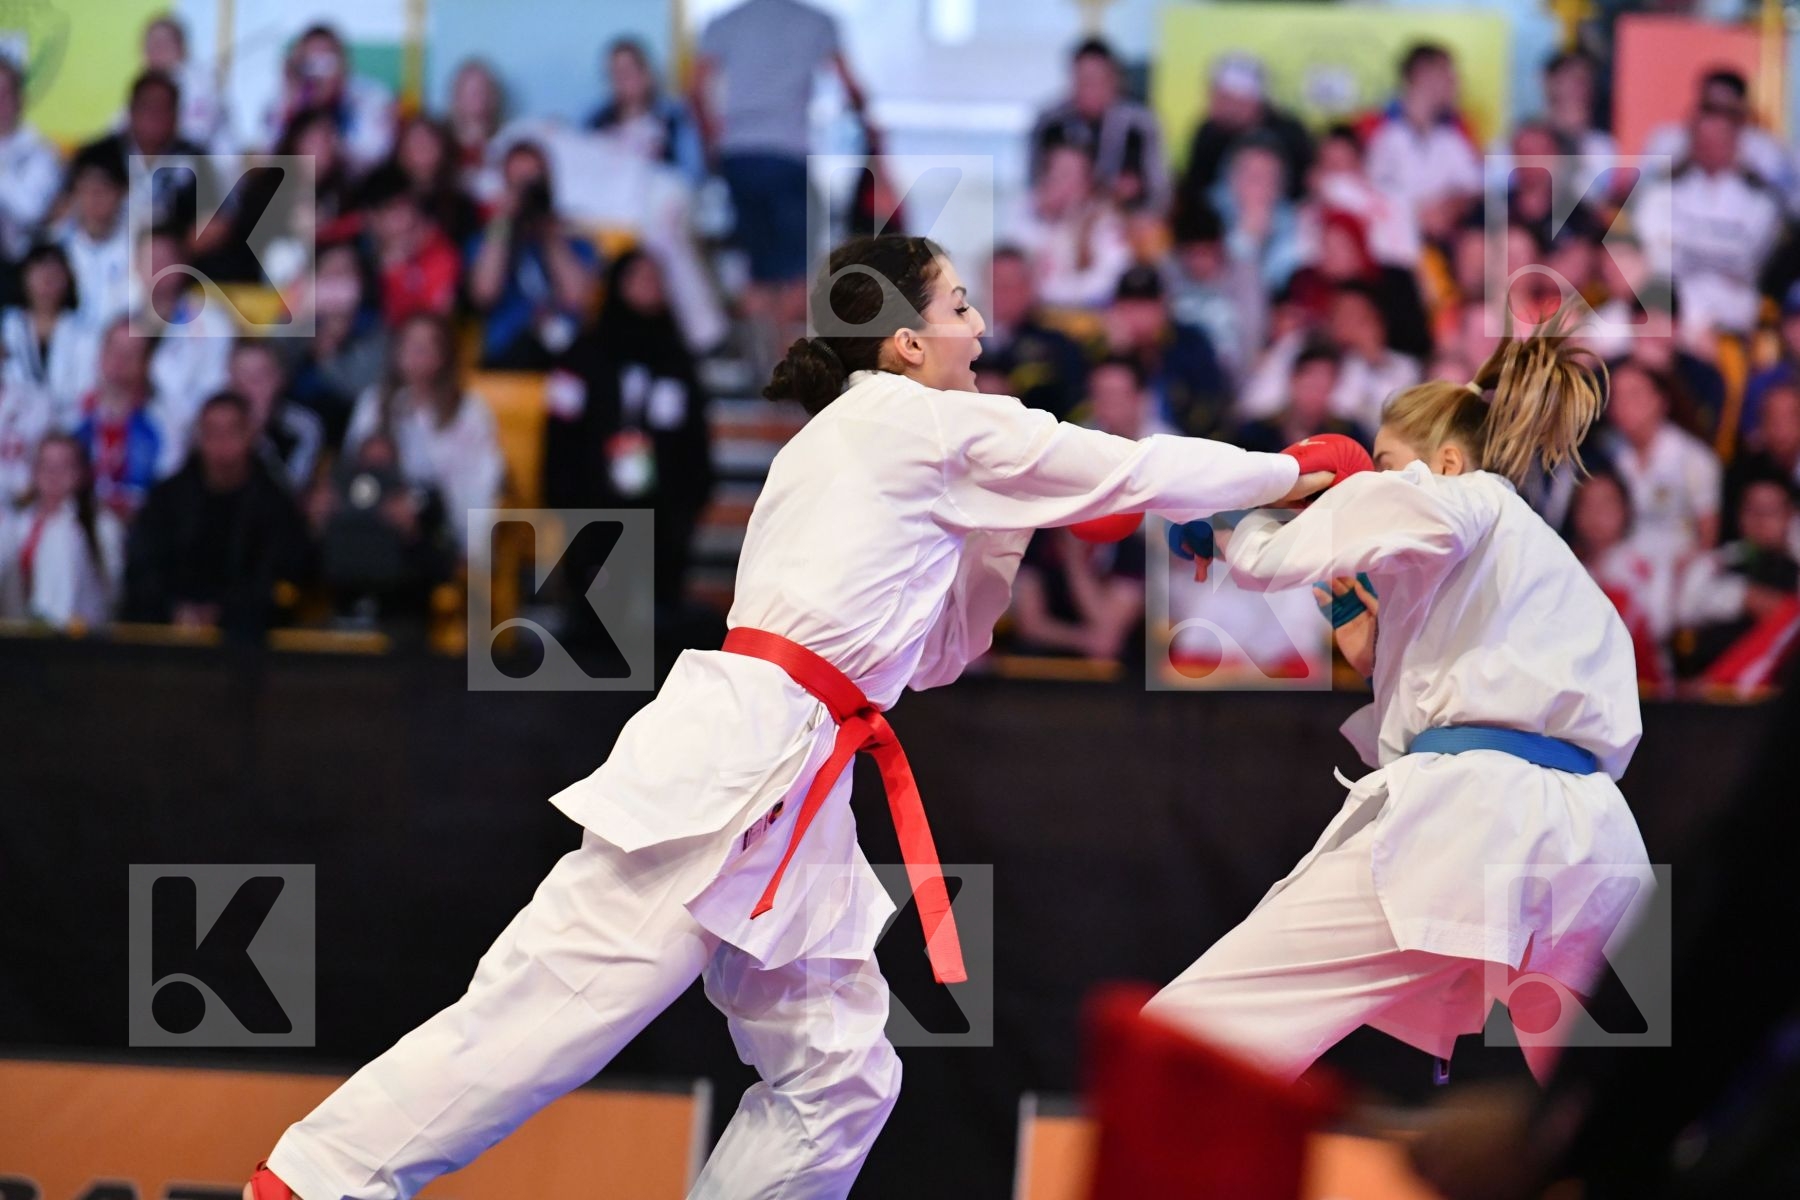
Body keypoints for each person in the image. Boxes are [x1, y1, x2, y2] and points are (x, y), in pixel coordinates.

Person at [243, 233, 1332, 1200]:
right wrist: (1287, 469)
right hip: (743, 759)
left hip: (803, 772)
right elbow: (1130, 464)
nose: (981, 328)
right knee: (550, 1006)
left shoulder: (860, 447)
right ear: (905, 342)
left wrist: (1013, 528)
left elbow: (943, 655)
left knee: (839, 1076)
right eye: (959, 306)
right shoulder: (915, 420)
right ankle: (314, 1181)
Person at [1148, 324, 1650, 1089]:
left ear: (1443, 462)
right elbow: (1460, 686)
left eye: (1384, 464)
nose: (1373, 484)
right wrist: (1377, 650)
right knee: (1626, 1107)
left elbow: (1352, 527)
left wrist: (1242, 516)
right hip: (1599, 846)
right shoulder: (1544, 563)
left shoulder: (1464, 494)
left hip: (1475, 823)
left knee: (1191, 1039)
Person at [692, 0, 868, 357]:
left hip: (738, 157)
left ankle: (761, 368)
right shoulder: (817, 22)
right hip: (788, 156)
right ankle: (789, 372)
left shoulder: (726, 22)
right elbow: (852, 88)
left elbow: (695, 89)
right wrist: (864, 124)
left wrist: (711, 141)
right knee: (796, 275)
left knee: (757, 271)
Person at [545, 249, 713, 616]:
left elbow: (695, 442)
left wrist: (689, 502)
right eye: (639, 278)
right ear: (617, 286)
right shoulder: (581, 354)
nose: (650, 287)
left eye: (656, 279)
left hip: (660, 513)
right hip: (593, 505)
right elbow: (560, 435)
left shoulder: (677, 360)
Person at [124, 391, 312, 635]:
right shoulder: (166, 499)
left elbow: (282, 580)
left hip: (247, 640)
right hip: (168, 631)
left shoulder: (276, 505)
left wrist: (224, 614)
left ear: (250, 434)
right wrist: (175, 609)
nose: (221, 444)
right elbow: (143, 568)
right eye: (212, 432)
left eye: (231, 432)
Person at [342, 312, 502, 546]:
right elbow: (354, 465)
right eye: (408, 343)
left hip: (441, 519)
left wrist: (416, 503)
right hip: (378, 511)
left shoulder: (469, 410)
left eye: (425, 346)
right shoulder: (373, 402)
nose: (415, 353)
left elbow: (477, 479)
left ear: (444, 355)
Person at [465, 141, 600, 369]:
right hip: (509, 351)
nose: (527, 191)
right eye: (518, 182)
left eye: (534, 181)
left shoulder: (574, 239)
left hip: (567, 354)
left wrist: (550, 235)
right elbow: (484, 294)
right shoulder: (487, 239)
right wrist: (503, 221)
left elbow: (579, 299)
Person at [1600, 360, 1721, 566]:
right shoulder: (1604, 454)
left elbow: (1707, 534)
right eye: (1616, 397)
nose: (1623, 405)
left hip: (1676, 568)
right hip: (1617, 567)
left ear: (1661, 401)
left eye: (1634, 395)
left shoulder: (1694, 458)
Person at [0, 433, 124, 627]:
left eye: (64, 467)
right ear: (34, 472)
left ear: (81, 473)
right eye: (46, 466)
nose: (53, 475)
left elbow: (113, 589)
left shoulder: (101, 526)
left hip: (79, 631)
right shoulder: (16, 525)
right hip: (18, 630)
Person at [1031, 37, 1168, 212]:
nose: (1090, 90)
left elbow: (1160, 194)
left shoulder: (1140, 125)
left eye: (1097, 81)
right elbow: (1033, 187)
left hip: (1125, 219)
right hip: (1060, 219)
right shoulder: (1050, 123)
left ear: (1115, 81)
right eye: (1083, 81)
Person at [1364, 42, 1482, 244]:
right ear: (1422, 74)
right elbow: (1364, 191)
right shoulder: (1373, 127)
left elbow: (1473, 187)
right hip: (1388, 240)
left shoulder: (1455, 132)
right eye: (1447, 73)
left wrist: (1449, 207)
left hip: (1440, 241)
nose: (1455, 82)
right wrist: (1414, 215)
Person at [70, 318, 182, 518]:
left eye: (131, 354)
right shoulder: (72, 416)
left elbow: (169, 491)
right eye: (115, 350)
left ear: (146, 363)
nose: (120, 360)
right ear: (101, 355)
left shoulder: (165, 424)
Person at [1177, 53, 1313, 212]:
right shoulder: (1208, 132)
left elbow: (1304, 190)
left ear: (1250, 101)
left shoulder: (1290, 134)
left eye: (1224, 98)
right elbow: (1194, 188)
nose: (1215, 104)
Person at [261, 24, 395, 175]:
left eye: (326, 63)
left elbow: (374, 155)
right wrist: (295, 108)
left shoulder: (371, 98)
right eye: (310, 63)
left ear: (344, 65)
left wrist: (326, 142)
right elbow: (269, 157)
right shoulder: (285, 102)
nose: (318, 75)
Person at [980, 244, 1090, 419]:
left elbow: (1072, 405)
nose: (1001, 294)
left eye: (1009, 285)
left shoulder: (1058, 346)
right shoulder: (967, 344)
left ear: (1030, 287)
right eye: (994, 285)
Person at [589, 38, 706, 188]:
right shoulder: (597, 122)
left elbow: (693, 173)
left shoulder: (673, 119)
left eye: (628, 71)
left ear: (646, 73)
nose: (623, 80)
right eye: (616, 73)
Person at [1, 242, 97, 418]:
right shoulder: (7, 326)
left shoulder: (84, 332)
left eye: (54, 273)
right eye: (39, 272)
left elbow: (85, 391)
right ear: (24, 277)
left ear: (68, 279)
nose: (47, 280)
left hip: (66, 424)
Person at [229, 339, 323, 493]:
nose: (246, 389)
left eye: (258, 379)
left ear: (279, 380)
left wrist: (259, 441)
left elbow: (290, 491)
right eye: (239, 379)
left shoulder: (302, 428)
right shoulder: (209, 422)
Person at [57, 153, 132, 332]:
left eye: (103, 189)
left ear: (122, 192)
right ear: (73, 194)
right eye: (86, 189)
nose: (95, 197)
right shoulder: (56, 246)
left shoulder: (142, 244)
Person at [0, 57, 62, 268]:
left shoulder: (41, 150)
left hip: (21, 265)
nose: (0, 102)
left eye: (6, 94)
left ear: (21, 98)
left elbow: (30, 210)